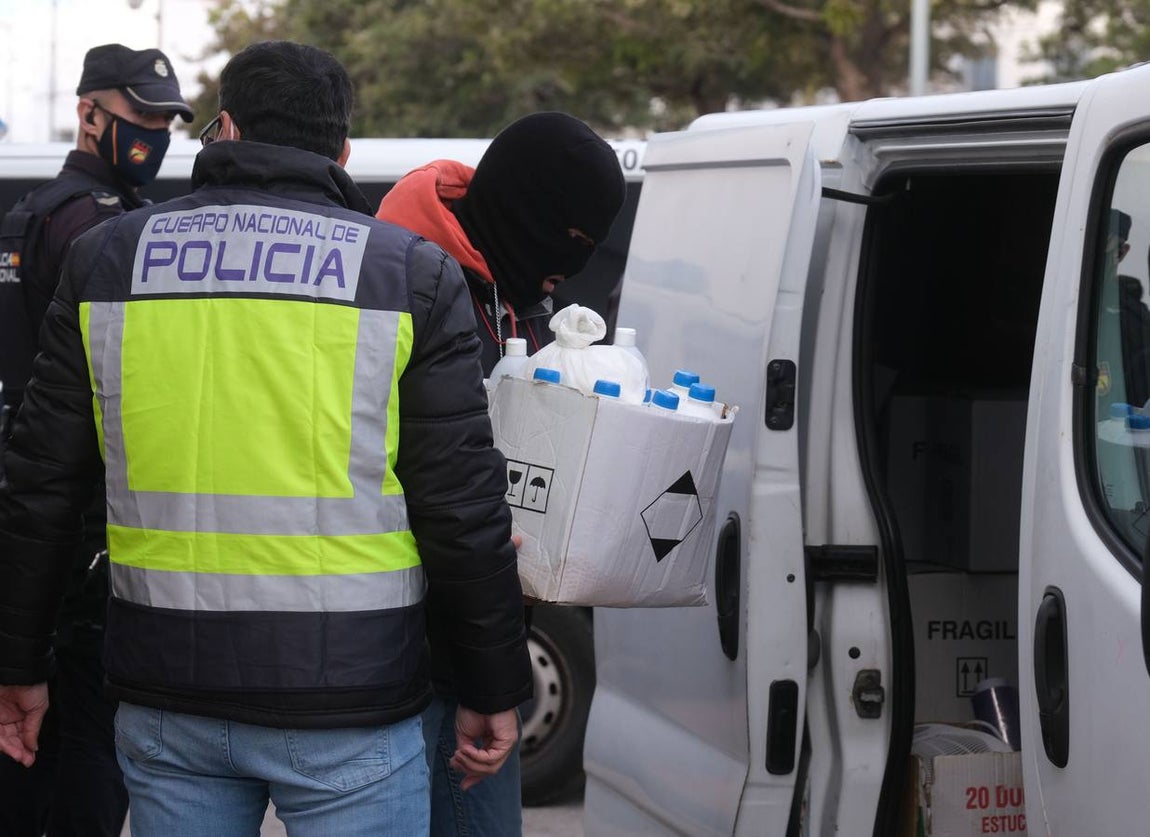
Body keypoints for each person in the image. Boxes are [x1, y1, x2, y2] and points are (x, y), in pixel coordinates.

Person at [0, 39, 531, 836]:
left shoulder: (107, 260)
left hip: (165, 695)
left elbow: (39, 488)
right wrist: (495, 684)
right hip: (352, 703)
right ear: (343, 150)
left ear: (227, 130)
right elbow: (463, 507)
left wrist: (17, 664)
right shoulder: (409, 276)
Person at [376, 111, 625, 836]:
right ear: (525, 211)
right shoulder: (400, 281)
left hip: (485, 640)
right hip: (407, 654)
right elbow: (435, 484)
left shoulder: (517, 294)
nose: (573, 265)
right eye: (571, 241)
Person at [0, 42, 192, 837]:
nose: (154, 133)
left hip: (27, 527)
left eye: (166, 120)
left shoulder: (29, 214)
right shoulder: (108, 231)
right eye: (140, 115)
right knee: (86, 774)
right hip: (86, 545)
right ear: (89, 114)